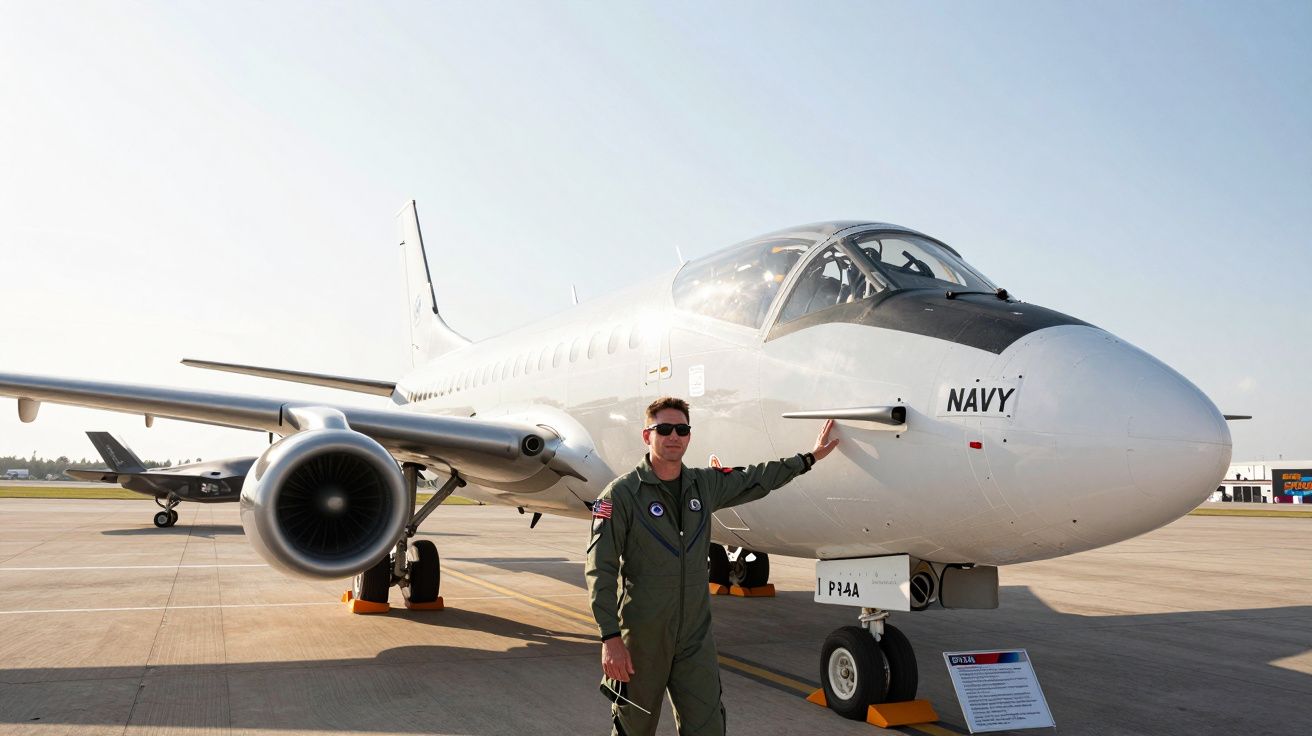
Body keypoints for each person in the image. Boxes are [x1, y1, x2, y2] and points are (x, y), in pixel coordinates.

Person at [585, 396, 839, 736]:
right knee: (634, 727)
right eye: (664, 429)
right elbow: (599, 569)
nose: (673, 436)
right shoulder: (622, 495)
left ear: (689, 435)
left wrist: (808, 458)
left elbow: (756, 478)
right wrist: (610, 638)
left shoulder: (703, 484)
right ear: (648, 435)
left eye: (681, 429)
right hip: (643, 639)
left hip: (695, 637)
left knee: (708, 726)